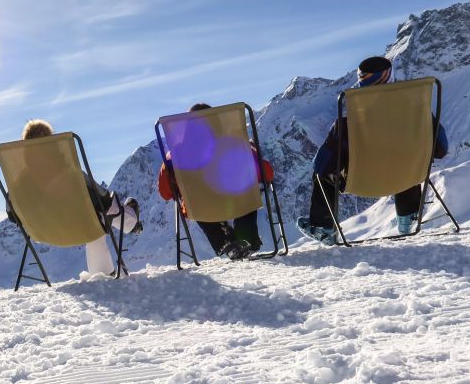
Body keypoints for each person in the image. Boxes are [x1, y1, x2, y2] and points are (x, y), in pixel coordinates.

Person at [297, 56, 449, 244]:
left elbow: (321, 166)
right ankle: (409, 216)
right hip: (408, 177)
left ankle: (323, 227)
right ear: (391, 78)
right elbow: (441, 149)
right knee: (407, 157)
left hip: (362, 182)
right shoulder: (417, 117)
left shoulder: (348, 125)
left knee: (322, 177)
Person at [9, 119, 141, 276]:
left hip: (42, 233)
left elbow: (12, 214)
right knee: (103, 213)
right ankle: (130, 224)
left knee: (102, 213)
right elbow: (104, 200)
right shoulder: (70, 174)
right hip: (81, 228)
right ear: (52, 144)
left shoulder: (18, 184)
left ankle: (130, 223)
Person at [157, 103, 275, 260]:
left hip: (201, 209)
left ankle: (225, 243)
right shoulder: (236, 143)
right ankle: (247, 239)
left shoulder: (175, 155)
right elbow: (267, 173)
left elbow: (165, 192)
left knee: (198, 202)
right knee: (246, 191)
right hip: (239, 202)